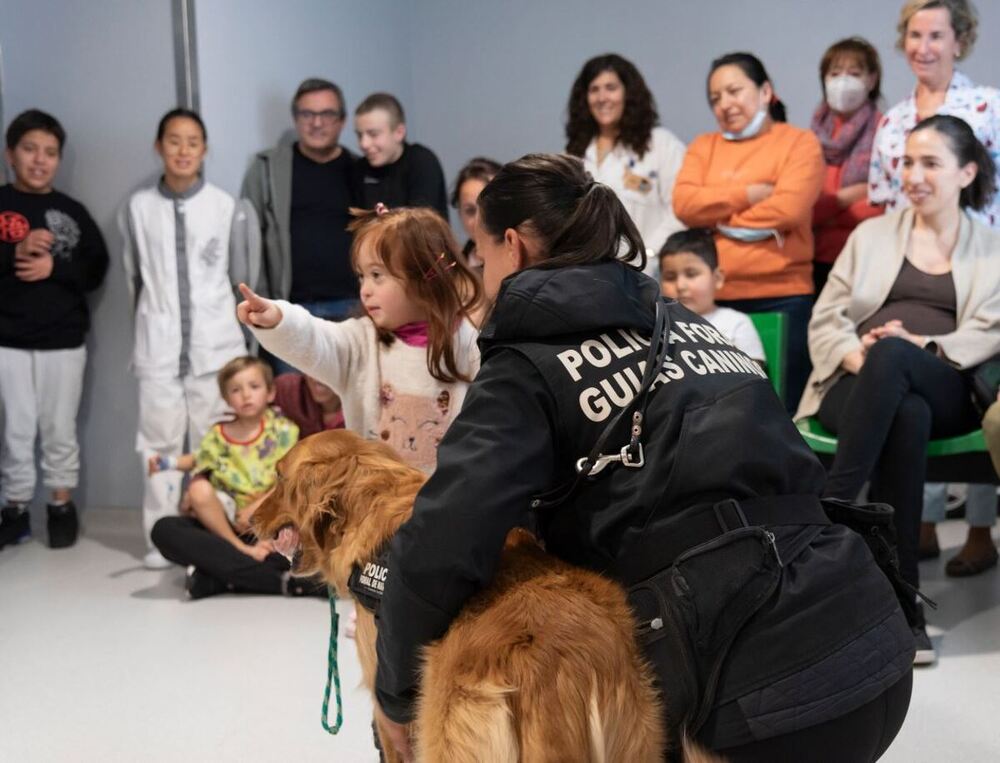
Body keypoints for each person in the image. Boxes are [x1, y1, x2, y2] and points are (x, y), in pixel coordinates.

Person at [372, 154, 913, 762]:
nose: (480, 269)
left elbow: (442, 542)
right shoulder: (687, 324)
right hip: (874, 644)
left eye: (481, 250)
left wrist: (395, 696)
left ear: (513, 247)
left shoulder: (525, 367)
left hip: (757, 698)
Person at [797, 115, 1000, 664]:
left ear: (966, 172)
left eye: (930, 163)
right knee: (903, 410)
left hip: (948, 383)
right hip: (856, 379)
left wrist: (915, 346)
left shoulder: (991, 249)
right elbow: (828, 317)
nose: (913, 174)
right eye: (907, 162)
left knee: (898, 362)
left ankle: (832, 511)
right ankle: (904, 606)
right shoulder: (870, 236)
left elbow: (989, 330)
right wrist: (855, 354)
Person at [868, 0, 1000, 576]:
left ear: (959, 39)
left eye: (937, 35)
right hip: (911, 277)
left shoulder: (988, 106)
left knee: (980, 399)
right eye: (915, 35)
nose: (925, 46)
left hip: (979, 273)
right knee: (910, 394)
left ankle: (978, 530)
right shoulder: (893, 119)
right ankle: (914, 527)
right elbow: (880, 202)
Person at [237, 205, 481, 474]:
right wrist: (278, 319)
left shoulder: (469, 345)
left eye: (377, 275)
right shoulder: (360, 342)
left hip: (442, 506)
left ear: (424, 276)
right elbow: (315, 338)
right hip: (374, 504)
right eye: (362, 276)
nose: (365, 290)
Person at [122, 108, 252, 570]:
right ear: (159, 147)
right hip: (157, 344)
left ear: (205, 150)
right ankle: (161, 538)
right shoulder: (138, 207)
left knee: (214, 440)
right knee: (156, 442)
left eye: (192, 141)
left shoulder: (223, 205)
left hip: (214, 345)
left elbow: (241, 275)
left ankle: (212, 535)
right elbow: (133, 276)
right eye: (173, 141)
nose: (182, 150)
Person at [674, 52, 824, 412]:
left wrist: (715, 219)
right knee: (714, 409)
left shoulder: (800, 143)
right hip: (711, 299)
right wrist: (749, 195)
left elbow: (789, 209)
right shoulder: (703, 146)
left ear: (766, 91)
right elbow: (684, 204)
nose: (725, 104)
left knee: (781, 413)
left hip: (784, 297)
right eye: (715, 98)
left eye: (734, 91)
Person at [0, 109, 109, 550]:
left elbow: (97, 268)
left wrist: (54, 266)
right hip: (6, 341)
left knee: (59, 427)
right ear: (11, 154)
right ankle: (16, 508)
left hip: (63, 340)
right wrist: (14, 253)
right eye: (29, 150)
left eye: (49, 152)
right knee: (16, 429)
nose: (39, 160)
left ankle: (61, 505)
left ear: (59, 159)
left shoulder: (72, 212)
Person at [149, 357, 308, 599]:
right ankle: (255, 566)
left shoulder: (285, 431)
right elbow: (197, 460)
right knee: (165, 529)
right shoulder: (218, 435)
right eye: (236, 390)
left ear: (270, 392)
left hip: (271, 524)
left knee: (296, 548)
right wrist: (167, 463)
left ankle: (218, 577)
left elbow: (290, 479)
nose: (246, 396)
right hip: (227, 528)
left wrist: (258, 508)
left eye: (254, 387)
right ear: (225, 398)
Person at [240, 78, 358, 321]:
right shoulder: (266, 170)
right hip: (291, 314)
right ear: (295, 118)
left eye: (327, 114)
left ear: (342, 121)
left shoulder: (362, 170)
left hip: (355, 309)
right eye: (307, 114)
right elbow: (249, 243)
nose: (316, 123)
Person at [566, 53, 685, 275]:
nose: (602, 97)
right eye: (594, 90)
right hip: (590, 276)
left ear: (629, 93)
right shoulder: (575, 155)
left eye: (611, 87)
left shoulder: (660, 143)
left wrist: (647, 254)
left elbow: (681, 211)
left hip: (647, 274)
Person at [810, 37, 885, 294]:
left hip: (868, 259)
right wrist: (847, 198)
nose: (843, 81)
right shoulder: (810, 138)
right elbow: (802, 208)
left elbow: (878, 209)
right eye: (835, 73)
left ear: (872, 80)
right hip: (816, 261)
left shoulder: (886, 131)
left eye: (854, 73)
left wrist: (825, 209)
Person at [658, 228, 764, 362]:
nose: (680, 286)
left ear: (718, 278)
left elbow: (754, 375)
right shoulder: (657, 326)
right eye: (670, 277)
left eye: (691, 274)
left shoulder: (736, 323)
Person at [353, 94, 449, 220]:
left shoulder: (421, 162)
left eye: (373, 134)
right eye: (360, 135)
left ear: (399, 132)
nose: (363, 144)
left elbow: (422, 228)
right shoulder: (360, 169)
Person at [451, 156, 502, 268]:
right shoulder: (452, 269)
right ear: (460, 214)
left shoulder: (523, 265)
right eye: (470, 211)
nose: (479, 221)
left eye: (488, 208)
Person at [273, 372, 345, 436]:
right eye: (314, 366)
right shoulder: (287, 389)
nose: (319, 378)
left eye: (330, 369)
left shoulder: (354, 415)